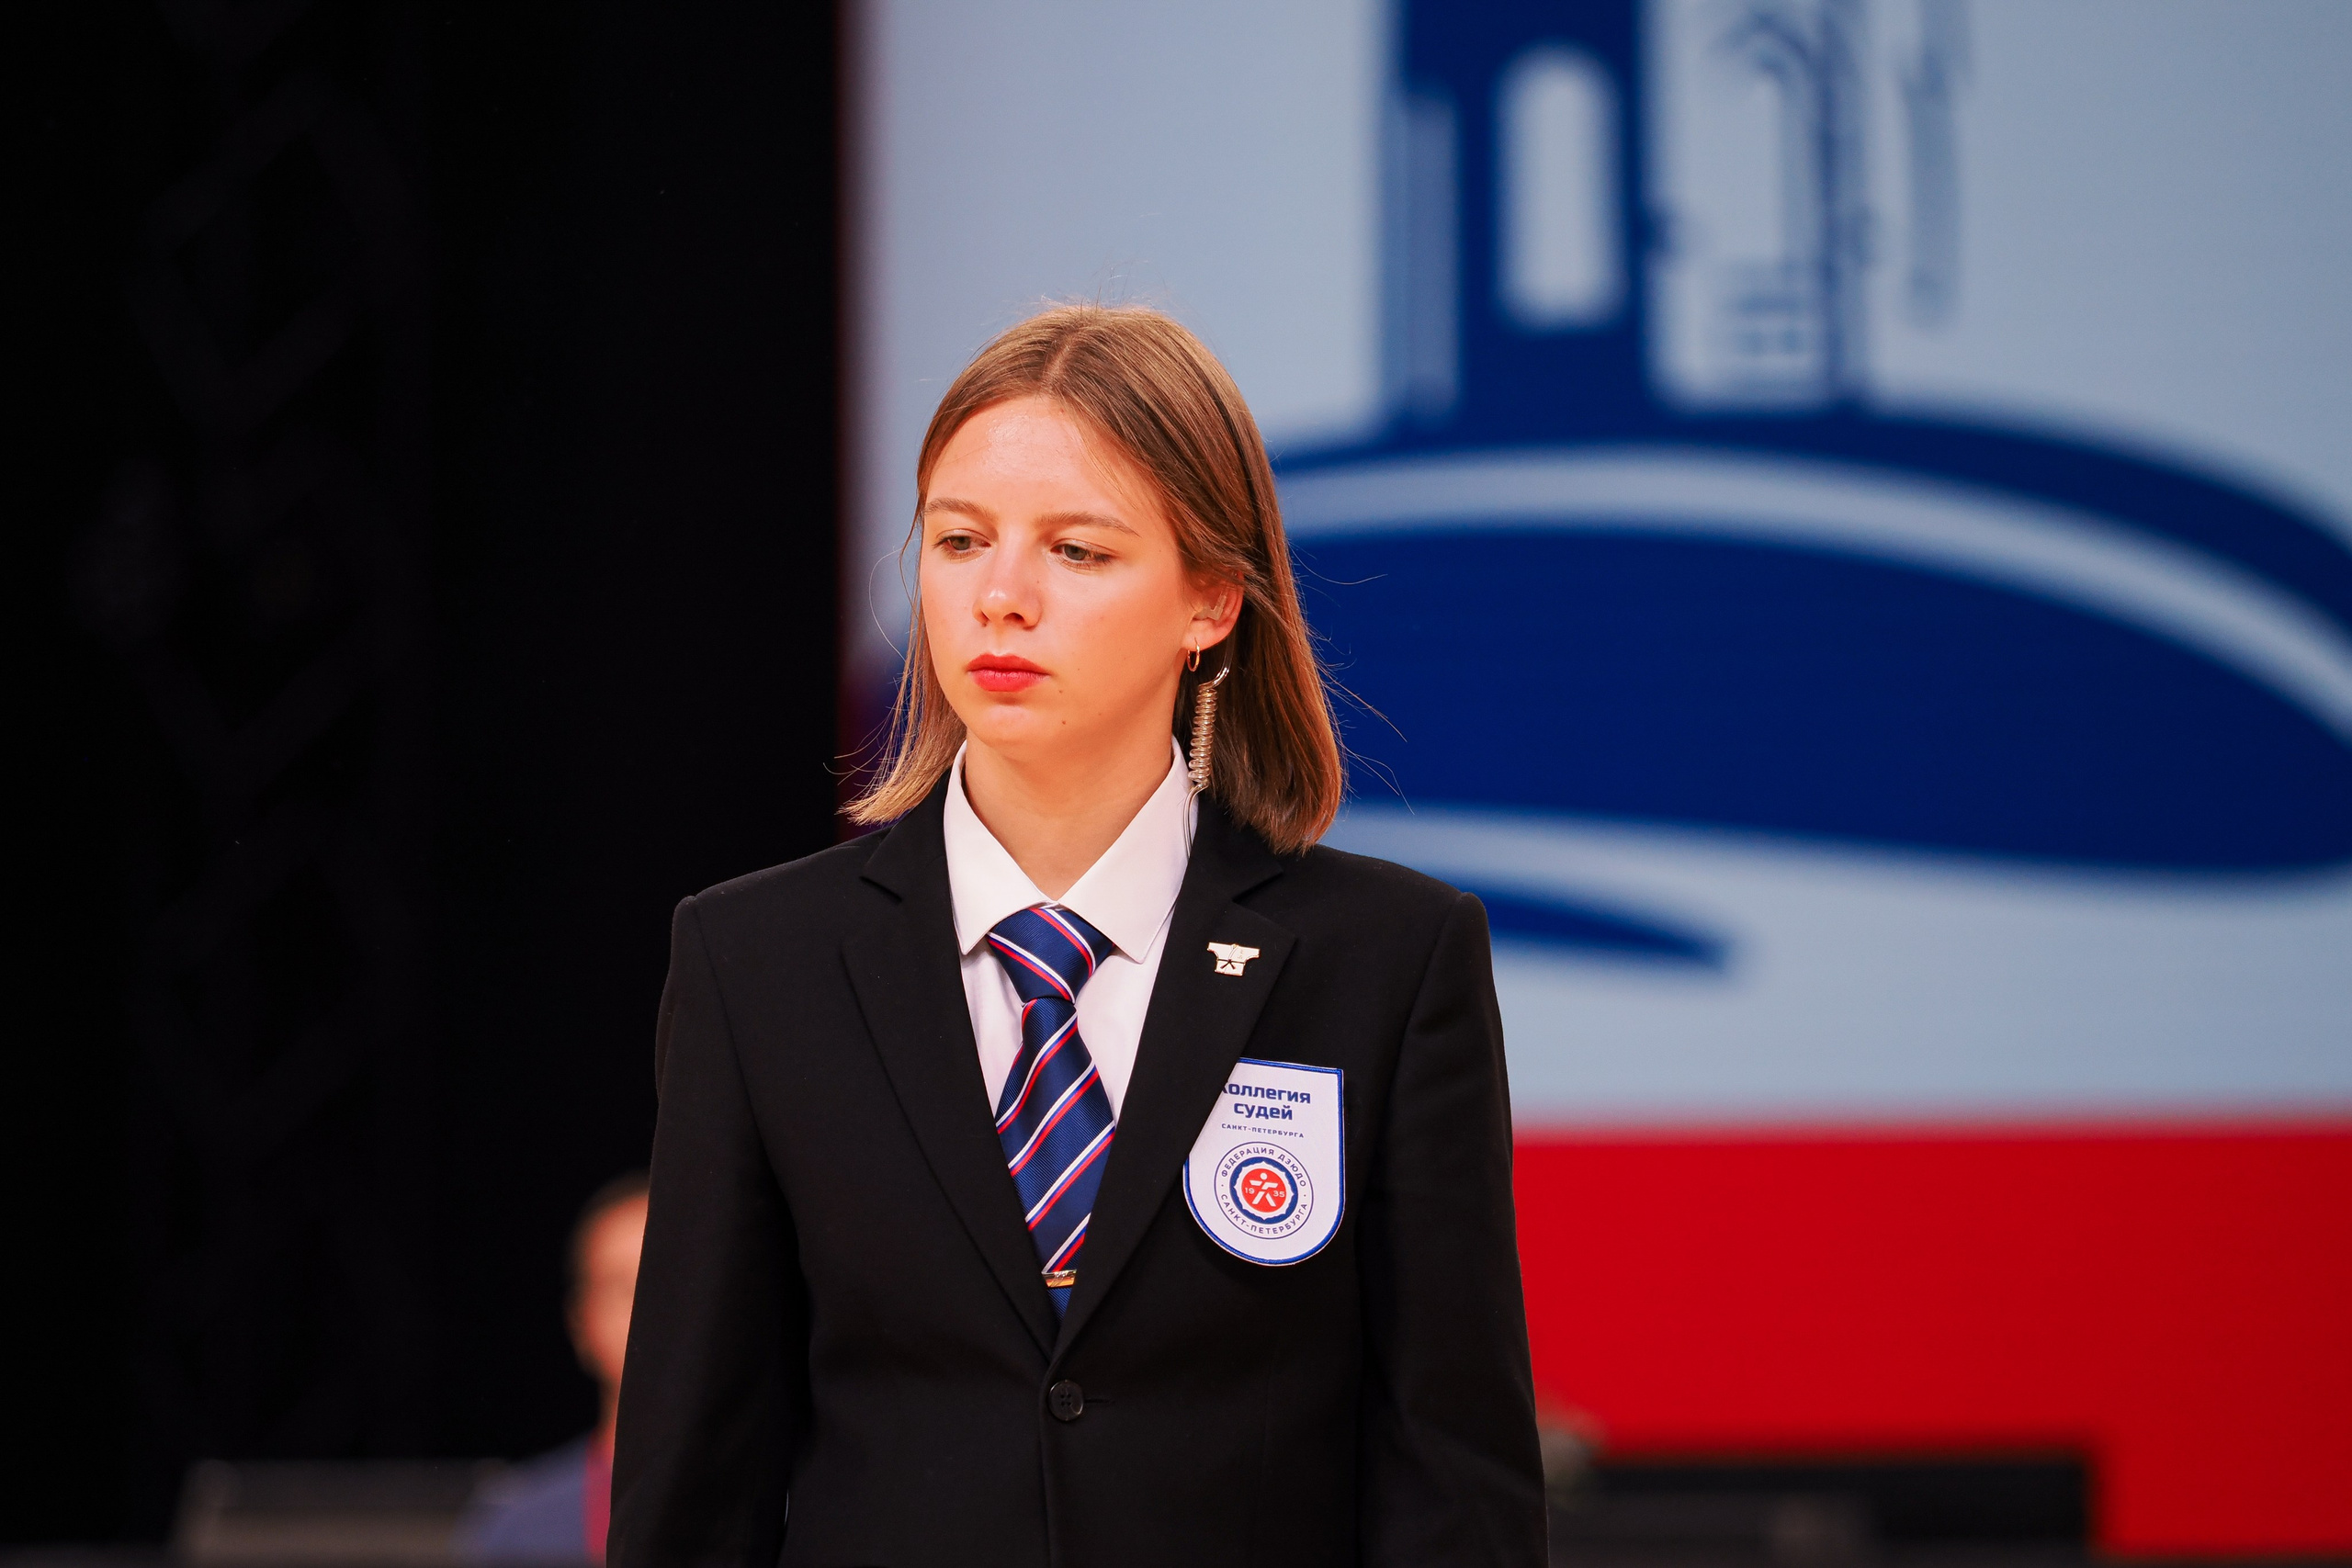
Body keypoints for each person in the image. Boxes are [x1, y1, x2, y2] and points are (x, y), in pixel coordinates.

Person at [611, 304, 1544, 1566]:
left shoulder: (1389, 957)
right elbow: (695, 1481)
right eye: (959, 539)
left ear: (1211, 597)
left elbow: (1456, 1483)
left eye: (1078, 550)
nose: (1001, 595)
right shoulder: (757, 960)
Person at [459, 1174, 648, 1564]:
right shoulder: (520, 1529)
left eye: (670, 1284)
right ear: (582, 1323)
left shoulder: (786, 1506)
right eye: (622, 1288)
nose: (649, 1312)